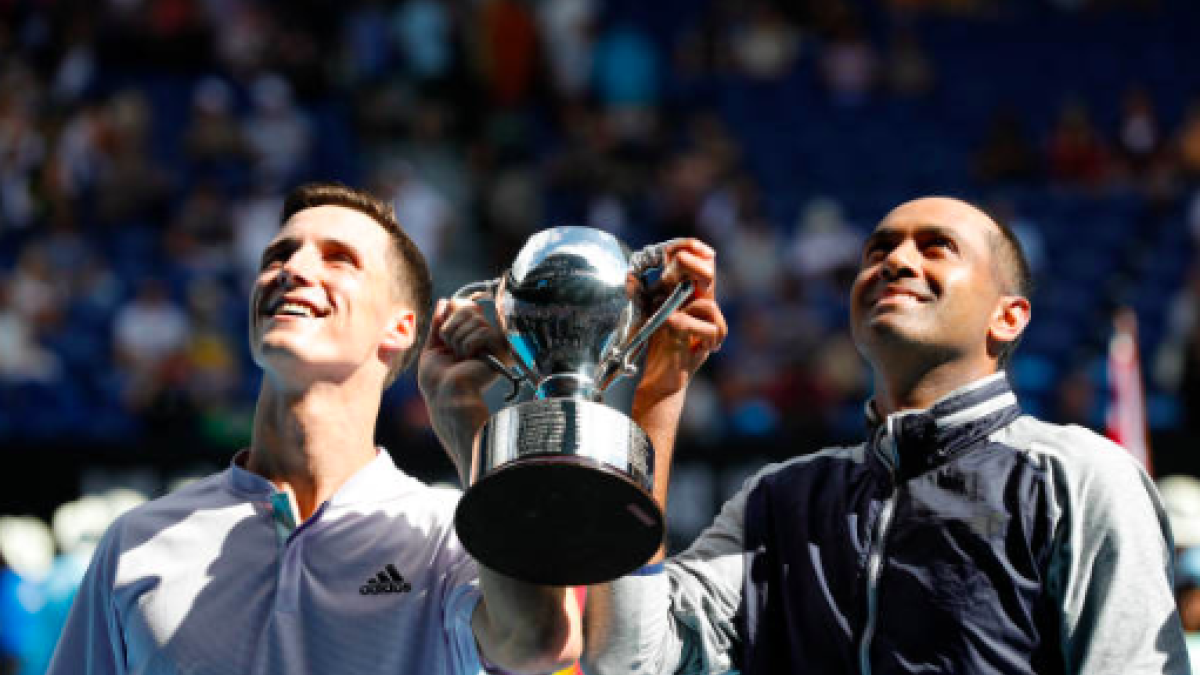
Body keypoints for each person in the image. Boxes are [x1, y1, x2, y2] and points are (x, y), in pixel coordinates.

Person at [581, 196, 1190, 675]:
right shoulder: (778, 500)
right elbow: (629, 659)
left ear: (1008, 316)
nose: (895, 262)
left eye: (937, 247)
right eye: (878, 250)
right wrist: (661, 389)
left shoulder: (1080, 478)